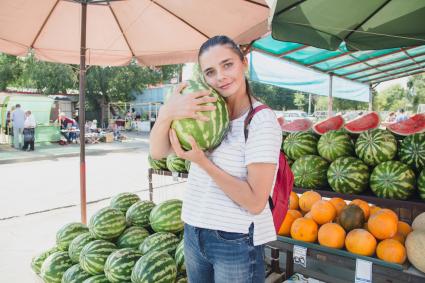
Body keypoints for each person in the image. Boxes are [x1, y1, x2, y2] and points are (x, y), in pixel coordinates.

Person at [150, 35, 282, 282]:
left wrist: (202, 162)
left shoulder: (261, 121)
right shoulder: (202, 107)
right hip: (193, 229)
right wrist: (167, 113)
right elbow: (157, 152)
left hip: (235, 240)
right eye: (210, 71)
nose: (220, 76)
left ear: (244, 62)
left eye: (227, 64)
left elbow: (255, 201)